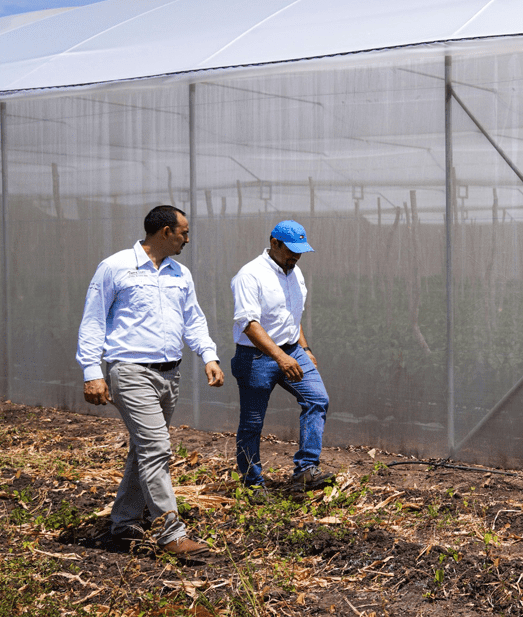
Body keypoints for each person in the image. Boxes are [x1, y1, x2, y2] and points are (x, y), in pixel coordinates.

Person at [77, 205, 223, 559]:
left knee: (143, 449)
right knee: (157, 448)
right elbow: (93, 319)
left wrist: (209, 355)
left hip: (169, 374)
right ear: (165, 232)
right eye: (183, 233)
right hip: (130, 371)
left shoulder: (180, 273)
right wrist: (92, 372)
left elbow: (193, 318)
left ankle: (124, 522)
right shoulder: (115, 267)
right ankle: (171, 534)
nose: (187, 239)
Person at [231, 219, 332, 494]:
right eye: (291, 250)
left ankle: (306, 470)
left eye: (301, 251)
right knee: (252, 423)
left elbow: (291, 316)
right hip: (256, 357)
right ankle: (252, 484)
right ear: (274, 243)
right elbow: (249, 324)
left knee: (317, 399)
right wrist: (279, 358)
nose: (296, 257)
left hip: (292, 349)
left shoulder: (295, 273)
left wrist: (305, 349)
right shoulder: (250, 275)